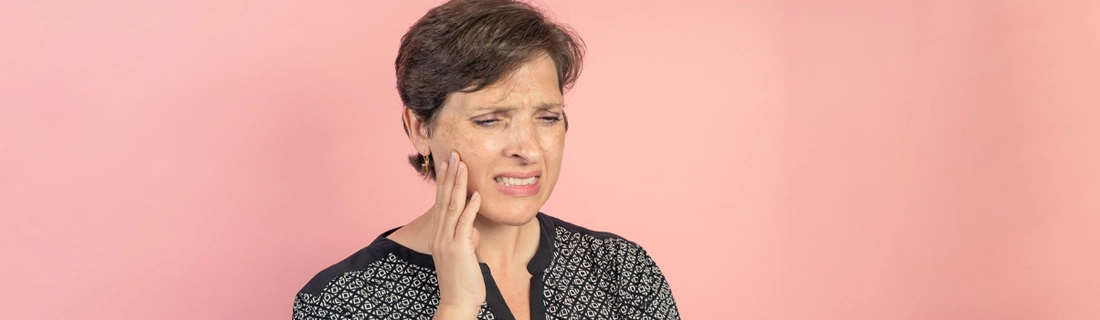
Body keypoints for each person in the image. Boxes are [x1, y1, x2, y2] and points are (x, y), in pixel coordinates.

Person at [292, 0, 679, 319]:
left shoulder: (621, 269)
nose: (528, 149)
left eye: (547, 118)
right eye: (490, 120)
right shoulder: (342, 301)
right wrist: (457, 306)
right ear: (420, 128)